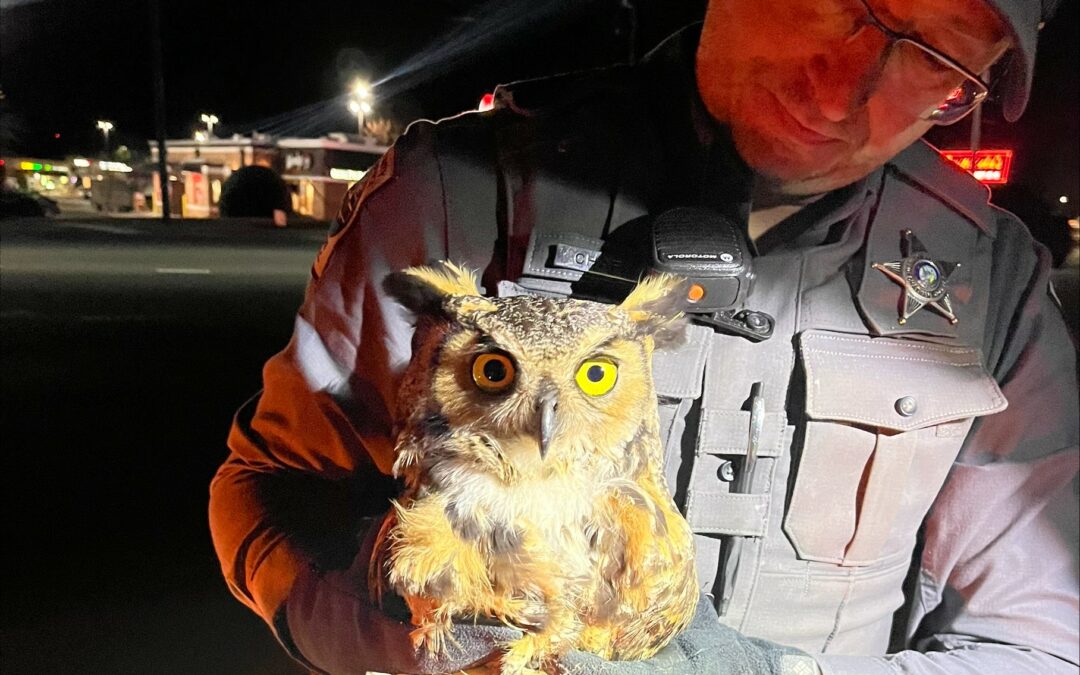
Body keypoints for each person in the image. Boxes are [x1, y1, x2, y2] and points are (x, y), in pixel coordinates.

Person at [209, 0, 1079, 672]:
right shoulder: (463, 197)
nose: (841, 85)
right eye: (833, 3)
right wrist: (440, 641)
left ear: (982, 79)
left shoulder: (987, 279)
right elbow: (269, 493)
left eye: (935, 57)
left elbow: (1034, 640)